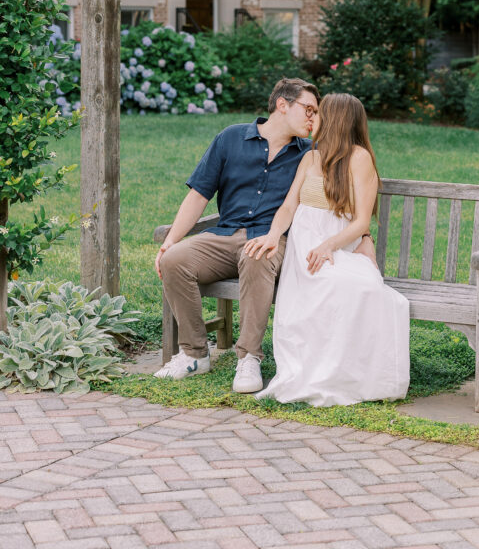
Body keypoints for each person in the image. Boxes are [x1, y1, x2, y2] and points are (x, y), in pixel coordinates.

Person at [154, 77, 378, 392]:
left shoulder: (309, 153)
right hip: (226, 233)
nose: (314, 118)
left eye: (318, 112)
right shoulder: (230, 139)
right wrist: (170, 241)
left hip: (276, 240)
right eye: (309, 110)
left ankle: (248, 359)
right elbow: (198, 195)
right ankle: (194, 354)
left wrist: (363, 237)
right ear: (282, 105)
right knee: (175, 260)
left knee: (257, 255)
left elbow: (343, 195)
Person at [244, 92, 410, 406]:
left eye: (317, 114)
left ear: (334, 121)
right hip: (304, 248)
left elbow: (362, 221)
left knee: (355, 288)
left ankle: (344, 374)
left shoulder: (359, 159)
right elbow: (289, 205)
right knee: (317, 291)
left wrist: (330, 246)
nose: (312, 119)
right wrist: (273, 234)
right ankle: (313, 369)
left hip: (337, 245)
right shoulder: (310, 158)